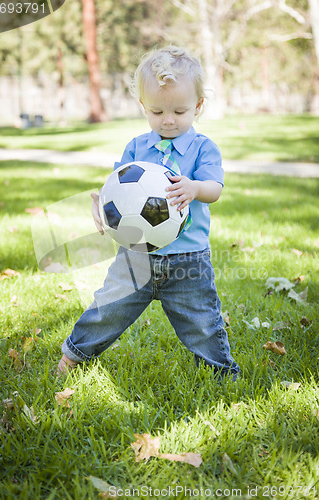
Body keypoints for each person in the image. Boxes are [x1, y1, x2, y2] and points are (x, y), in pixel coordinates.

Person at [57, 45, 240, 380]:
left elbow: (215, 189)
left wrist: (195, 188)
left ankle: (222, 372)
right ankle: (74, 355)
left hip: (188, 260)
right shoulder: (136, 147)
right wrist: (101, 204)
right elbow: (116, 188)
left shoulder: (203, 148)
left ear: (198, 106)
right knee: (107, 309)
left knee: (203, 322)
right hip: (135, 256)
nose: (168, 120)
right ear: (143, 106)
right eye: (157, 112)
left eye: (179, 112)